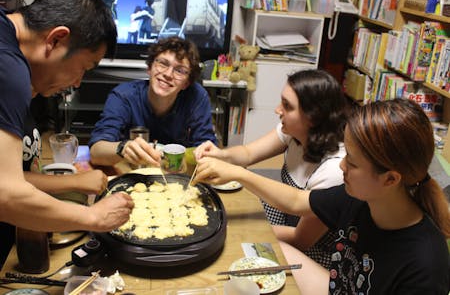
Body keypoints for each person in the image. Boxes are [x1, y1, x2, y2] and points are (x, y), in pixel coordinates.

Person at [193, 98, 450, 294]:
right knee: (266, 251)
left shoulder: (425, 264)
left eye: (353, 162)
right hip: (336, 286)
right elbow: (296, 201)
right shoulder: (359, 197)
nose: (341, 166)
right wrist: (240, 174)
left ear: (390, 179)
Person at [0, 0, 133, 238]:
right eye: (84, 67)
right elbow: (6, 194)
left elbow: (9, 174)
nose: (78, 82)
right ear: (56, 39)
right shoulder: (8, 69)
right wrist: (94, 217)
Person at [195, 69, 348, 267]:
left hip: (314, 248)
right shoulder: (294, 132)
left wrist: (234, 229)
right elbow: (249, 153)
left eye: (287, 106)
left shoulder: (335, 170)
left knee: (231, 243)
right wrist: (220, 154)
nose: (278, 110)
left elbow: (300, 240)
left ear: (313, 117)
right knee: (233, 207)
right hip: (287, 218)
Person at [89, 36, 217, 167]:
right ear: (149, 68)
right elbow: (96, 151)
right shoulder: (123, 96)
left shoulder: (197, 97)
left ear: (186, 83)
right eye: (163, 63)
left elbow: (208, 149)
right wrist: (123, 148)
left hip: (177, 175)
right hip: (132, 173)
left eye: (179, 70)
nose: (168, 74)